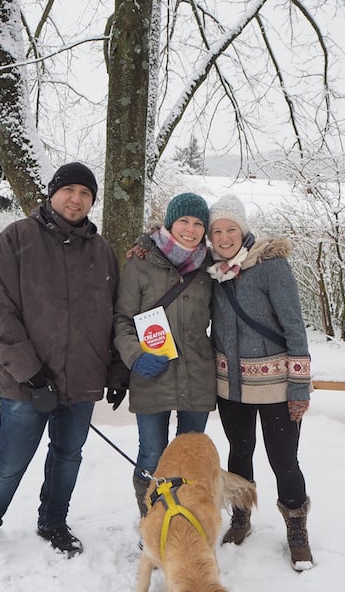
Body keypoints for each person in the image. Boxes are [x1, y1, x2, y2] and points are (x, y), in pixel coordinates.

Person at [0, 162, 129, 580]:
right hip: (25, 385)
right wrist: (32, 375)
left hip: (82, 382)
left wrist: (116, 368)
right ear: (52, 193)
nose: (76, 199)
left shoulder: (101, 250)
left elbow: (113, 316)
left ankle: (52, 522)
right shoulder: (17, 239)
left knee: (67, 457)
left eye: (85, 193)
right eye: (69, 190)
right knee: (10, 462)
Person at [207, 193, 314, 572]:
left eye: (230, 229)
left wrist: (300, 386)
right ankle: (241, 517)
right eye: (216, 230)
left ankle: (297, 530)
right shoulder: (212, 270)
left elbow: (294, 327)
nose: (223, 237)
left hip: (275, 386)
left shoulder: (270, 265)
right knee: (239, 454)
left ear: (243, 229)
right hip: (230, 386)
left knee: (283, 459)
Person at [113, 192, 216, 517]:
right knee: (152, 454)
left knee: (191, 456)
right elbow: (122, 321)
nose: (191, 229)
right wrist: (135, 356)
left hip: (196, 376)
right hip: (151, 374)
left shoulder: (211, 269)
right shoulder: (141, 263)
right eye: (184, 221)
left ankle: (186, 515)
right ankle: (151, 518)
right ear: (171, 223)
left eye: (199, 223)